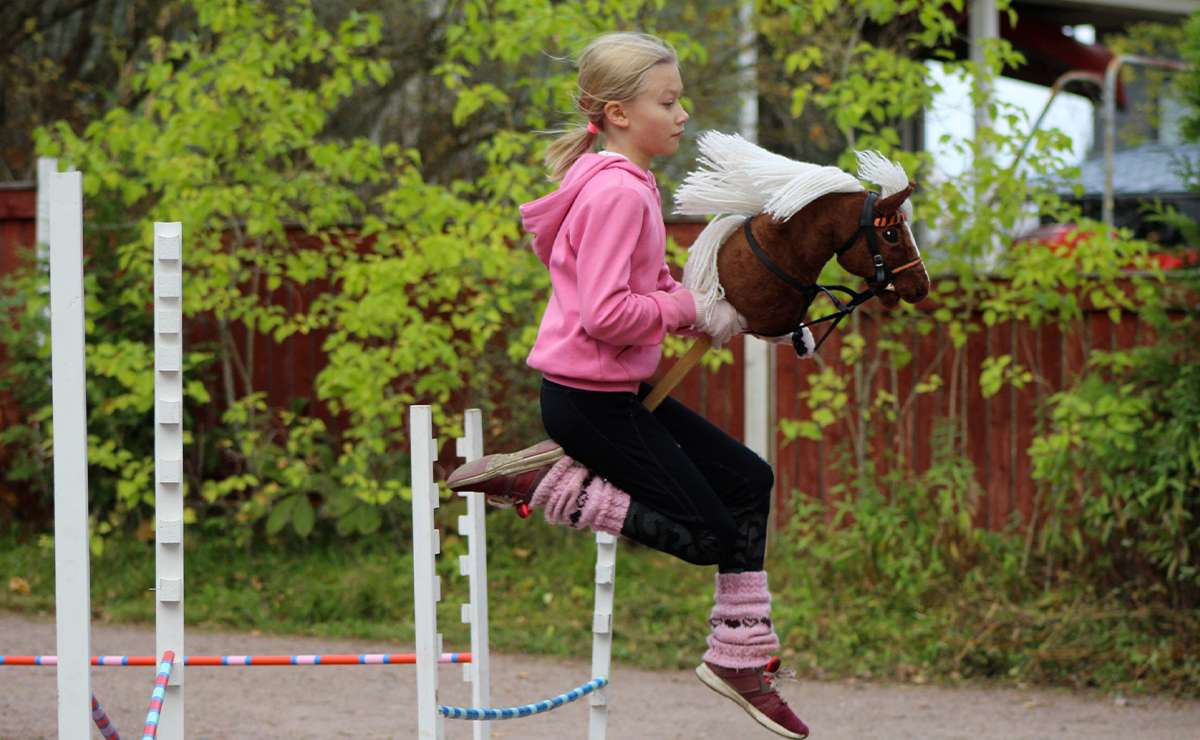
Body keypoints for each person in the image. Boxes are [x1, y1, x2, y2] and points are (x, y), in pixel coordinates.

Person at [446, 31, 807, 739]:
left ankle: (740, 657)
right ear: (616, 112)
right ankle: (544, 483)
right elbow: (609, 315)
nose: (682, 114)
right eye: (667, 102)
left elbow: (645, 284)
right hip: (588, 404)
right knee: (707, 535)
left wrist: (719, 308)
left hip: (614, 396)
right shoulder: (617, 193)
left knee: (747, 481)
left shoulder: (627, 184)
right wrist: (681, 310)